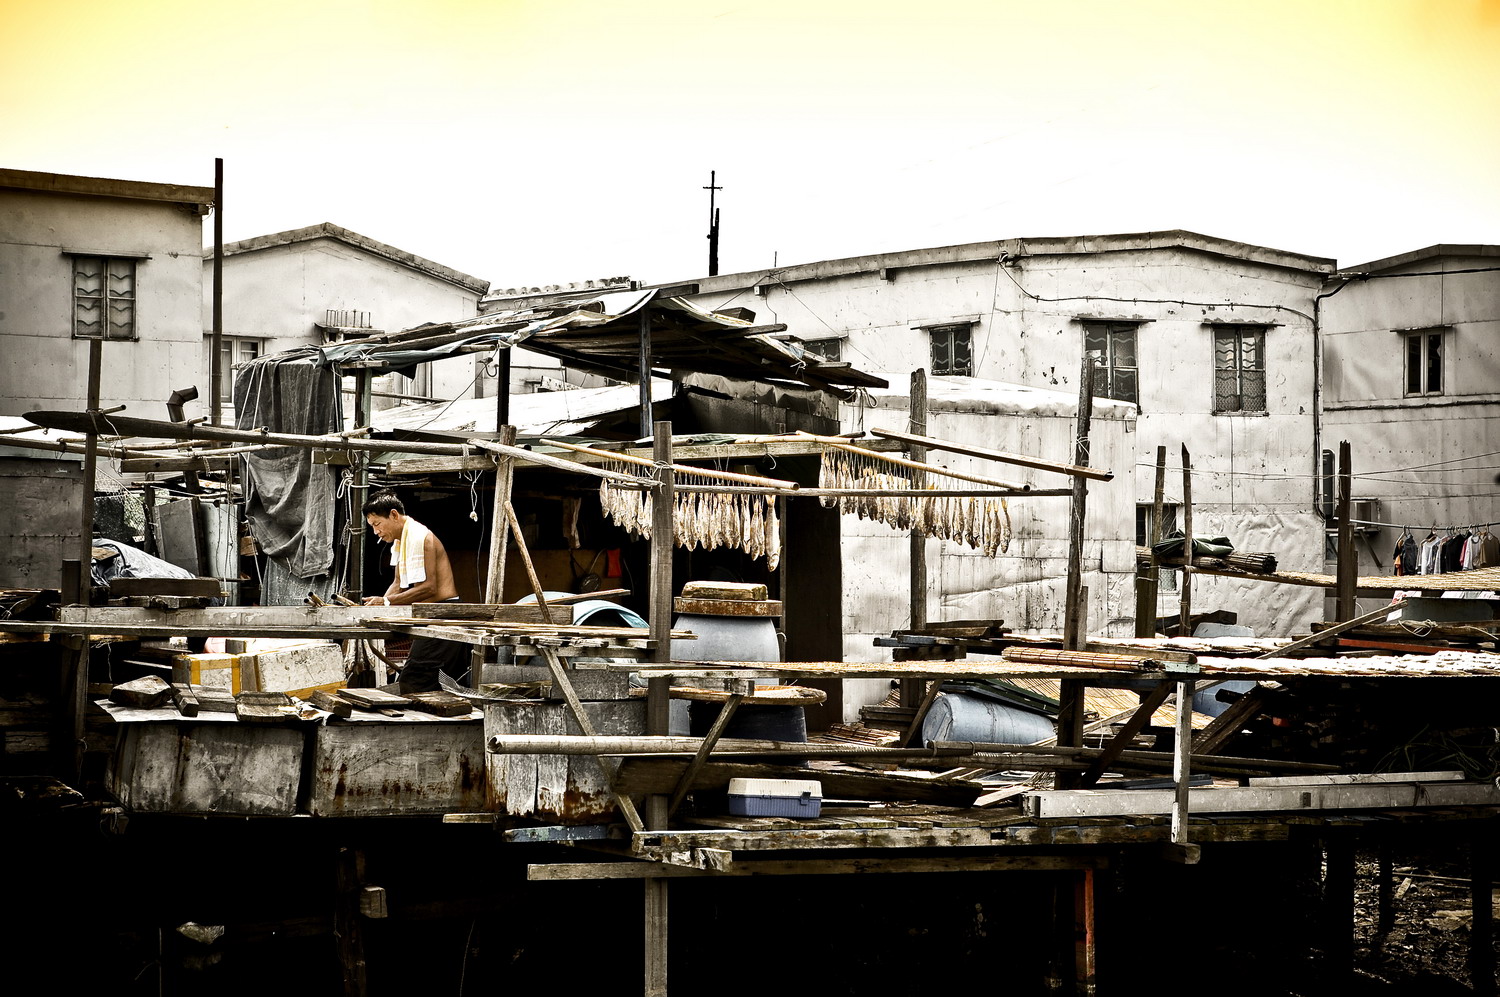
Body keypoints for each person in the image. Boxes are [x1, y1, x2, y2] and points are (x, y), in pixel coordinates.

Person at [361, 491, 466, 693]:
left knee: (415, 682)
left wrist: (386, 603)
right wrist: (377, 607)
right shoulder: (401, 541)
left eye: (377, 524)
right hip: (427, 616)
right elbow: (398, 583)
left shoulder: (420, 536)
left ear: (393, 515)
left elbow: (429, 588)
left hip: (443, 616)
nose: (376, 532)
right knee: (419, 683)